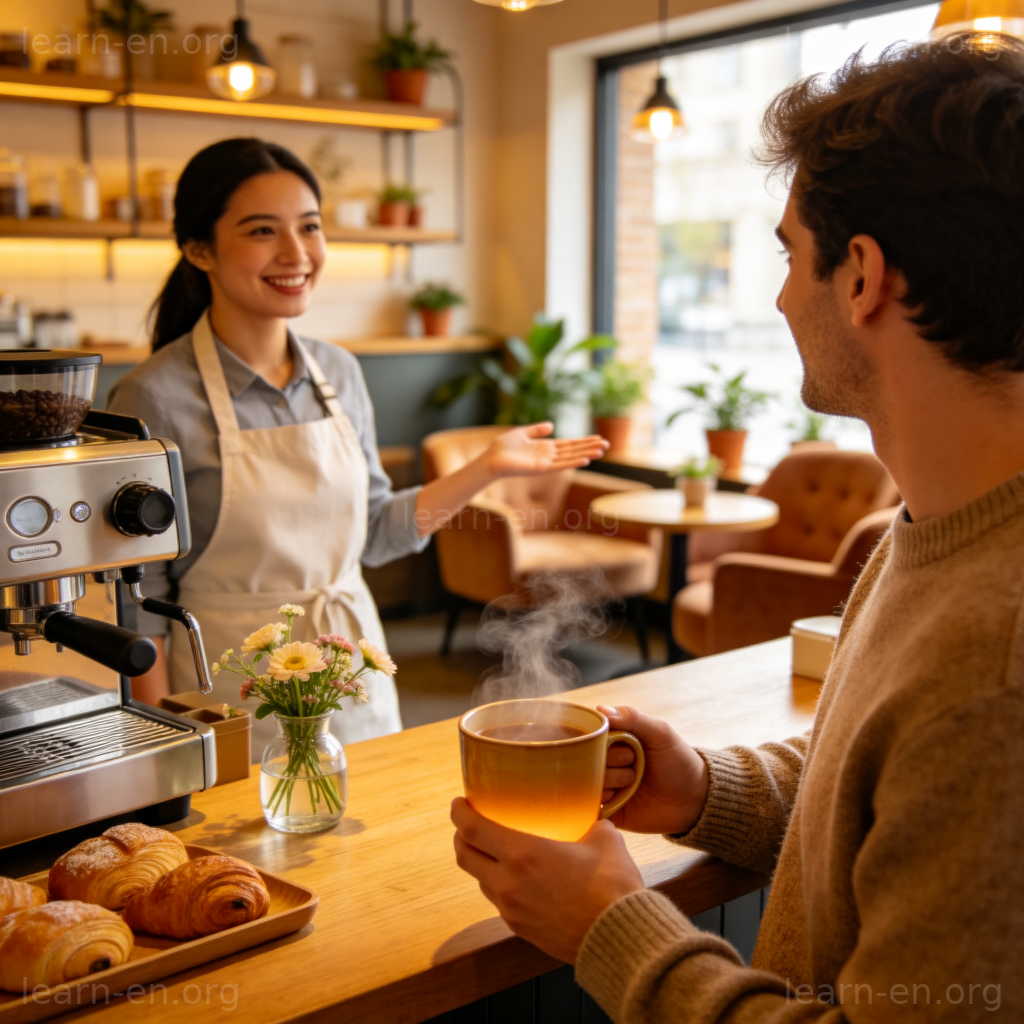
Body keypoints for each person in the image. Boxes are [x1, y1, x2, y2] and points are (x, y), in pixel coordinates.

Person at [452, 35, 1024, 1021]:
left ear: (862, 277)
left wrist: (611, 926)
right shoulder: (931, 524)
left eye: (788, 254)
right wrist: (702, 789)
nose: (776, 294)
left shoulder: (997, 663)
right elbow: (884, 786)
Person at [107, 137, 608, 748]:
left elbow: (373, 534)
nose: (296, 253)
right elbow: (141, 601)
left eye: (309, 227)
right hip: (227, 693)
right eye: (262, 230)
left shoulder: (338, 372)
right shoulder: (153, 398)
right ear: (199, 249)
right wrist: (167, 746)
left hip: (352, 670)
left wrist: (486, 468)